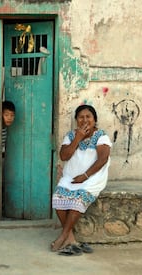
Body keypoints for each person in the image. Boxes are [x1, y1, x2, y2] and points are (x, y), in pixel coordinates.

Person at [51, 104, 112, 256]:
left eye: (88, 117)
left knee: (78, 199)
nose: (85, 120)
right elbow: (64, 156)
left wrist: (84, 176)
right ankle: (70, 238)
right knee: (58, 197)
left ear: (94, 120)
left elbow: (103, 159)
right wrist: (77, 138)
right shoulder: (71, 136)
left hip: (91, 178)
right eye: (81, 117)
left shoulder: (101, 136)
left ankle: (63, 236)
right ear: (76, 120)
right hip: (71, 177)